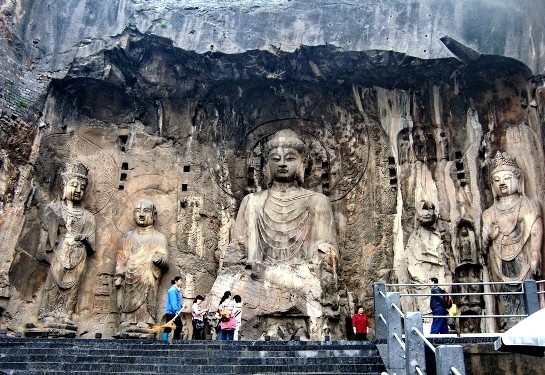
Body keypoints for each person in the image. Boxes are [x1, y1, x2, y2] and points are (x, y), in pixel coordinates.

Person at [230, 129, 338, 266]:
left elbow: (327, 252)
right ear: (267, 164)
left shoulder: (318, 201)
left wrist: (325, 256)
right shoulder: (251, 201)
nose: (282, 163)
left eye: (290, 158)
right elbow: (236, 251)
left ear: (303, 163)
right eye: (275, 159)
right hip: (258, 277)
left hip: (303, 277)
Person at [482, 151, 543, 329]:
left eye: (507, 178)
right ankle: (509, 322)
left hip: (522, 254)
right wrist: (488, 237)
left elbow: (535, 228)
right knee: (505, 294)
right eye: (497, 180)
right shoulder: (489, 213)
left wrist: (534, 252)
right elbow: (483, 246)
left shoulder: (528, 205)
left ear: (518, 180)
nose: (502, 183)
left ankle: (530, 320)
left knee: (527, 288)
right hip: (499, 259)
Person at [38, 161, 96, 327]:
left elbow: (92, 244)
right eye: (74, 185)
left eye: (82, 187)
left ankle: (66, 314)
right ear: (64, 185)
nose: (78, 190)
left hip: (78, 255)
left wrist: (83, 239)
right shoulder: (54, 209)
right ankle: (48, 313)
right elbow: (45, 242)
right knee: (54, 283)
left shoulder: (88, 216)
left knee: (73, 288)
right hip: (59, 254)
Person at [115, 198, 169, 328]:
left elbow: (165, 260)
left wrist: (158, 258)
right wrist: (119, 274)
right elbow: (121, 258)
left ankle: (146, 320)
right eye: (138, 211)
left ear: (154, 215)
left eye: (146, 211)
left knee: (148, 292)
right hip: (129, 276)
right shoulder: (128, 236)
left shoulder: (159, 237)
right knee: (127, 298)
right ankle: (126, 320)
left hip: (148, 276)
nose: (141, 214)